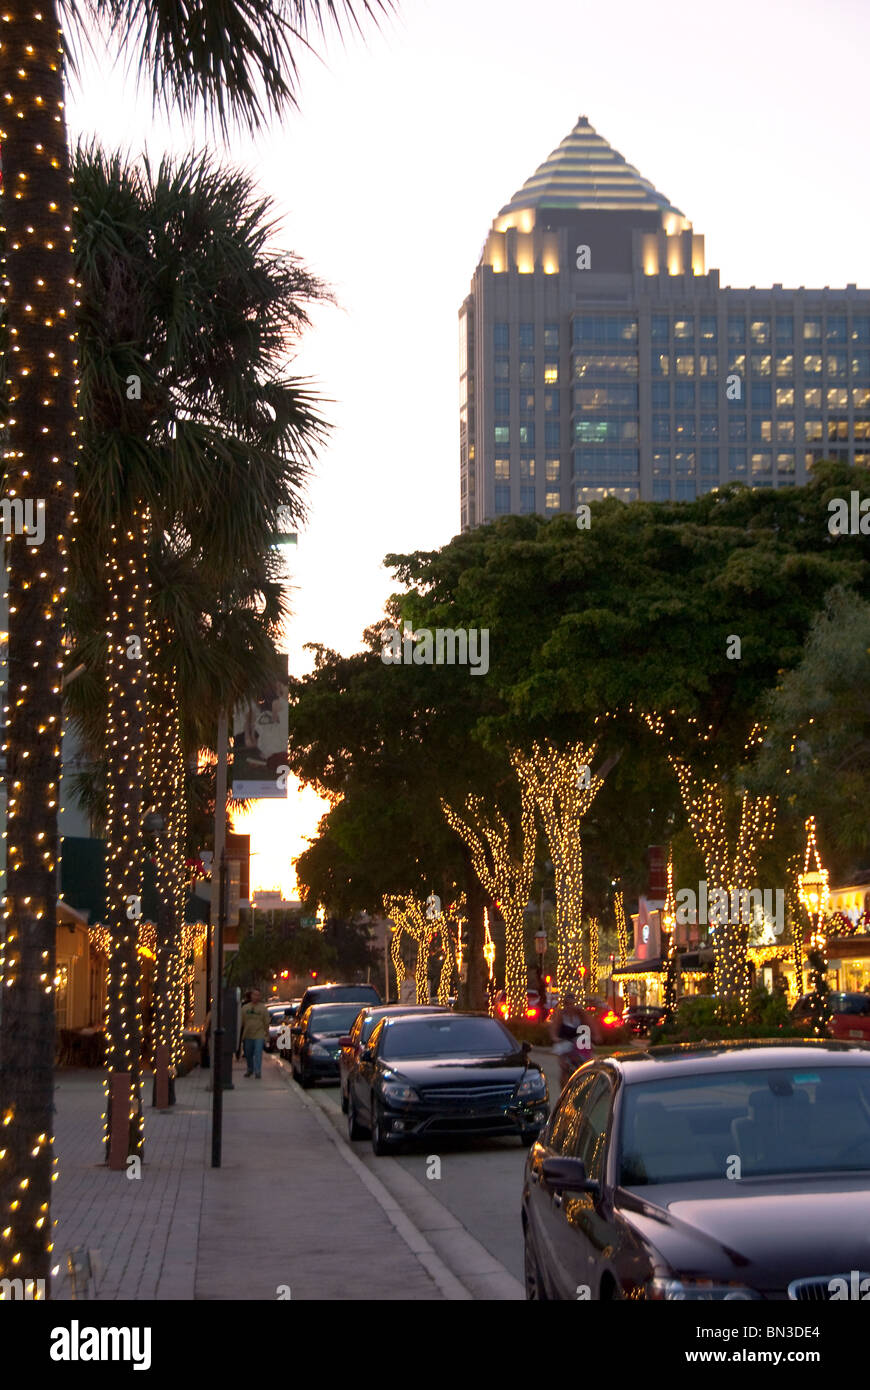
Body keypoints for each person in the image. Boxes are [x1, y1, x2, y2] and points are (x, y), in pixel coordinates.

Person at [549, 991, 592, 1087]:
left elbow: (588, 1026)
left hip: (576, 1042)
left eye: (572, 1004)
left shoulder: (579, 1014)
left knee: (583, 1062)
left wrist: (592, 1037)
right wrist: (555, 1038)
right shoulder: (561, 1014)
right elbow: (554, 1028)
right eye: (568, 1004)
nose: (570, 1006)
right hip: (564, 1042)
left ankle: (581, 1085)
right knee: (564, 1067)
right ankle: (563, 1087)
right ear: (565, 1004)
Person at [239, 987, 270, 1079]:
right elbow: (241, 1022)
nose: (256, 997)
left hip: (259, 1035)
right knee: (248, 1053)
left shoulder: (263, 1009)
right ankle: (250, 1069)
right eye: (254, 995)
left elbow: (266, 1023)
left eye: (258, 995)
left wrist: (267, 1035)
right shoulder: (245, 1008)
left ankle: (257, 1071)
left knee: (258, 1053)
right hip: (247, 1034)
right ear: (251, 996)